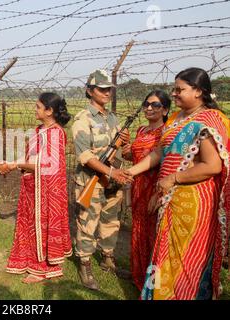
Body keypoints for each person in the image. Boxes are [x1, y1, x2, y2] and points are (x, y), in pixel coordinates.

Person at [128, 67, 230, 300]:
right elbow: (160, 153)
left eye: (179, 89)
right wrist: (131, 172)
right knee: (163, 254)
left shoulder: (208, 120)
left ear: (198, 92)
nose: (173, 94)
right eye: (174, 89)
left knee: (185, 259)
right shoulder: (175, 119)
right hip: (170, 198)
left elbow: (212, 165)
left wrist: (172, 179)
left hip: (193, 203)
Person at [0, 92, 73, 283]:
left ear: (50, 111)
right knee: (31, 225)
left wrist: (14, 165)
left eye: (38, 107)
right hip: (33, 187)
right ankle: (30, 260)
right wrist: (12, 163)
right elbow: (31, 158)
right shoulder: (39, 130)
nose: (35, 110)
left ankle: (42, 269)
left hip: (48, 192)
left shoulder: (56, 133)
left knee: (43, 225)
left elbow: (48, 165)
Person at [71, 69, 132, 291]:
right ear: (90, 90)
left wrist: (126, 144)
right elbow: (85, 155)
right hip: (91, 182)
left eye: (109, 89)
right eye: (102, 89)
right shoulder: (82, 119)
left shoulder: (113, 118)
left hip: (112, 181)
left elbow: (123, 152)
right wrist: (110, 171)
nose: (107, 93)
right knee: (87, 223)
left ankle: (108, 259)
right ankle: (85, 264)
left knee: (111, 222)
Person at [122, 90, 171, 291]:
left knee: (154, 236)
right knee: (139, 231)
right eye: (147, 104)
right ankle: (139, 276)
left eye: (156, 105)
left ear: (165, 110)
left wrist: (157, 194)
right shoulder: (141, 130)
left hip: (155, 189)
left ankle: (154, 285)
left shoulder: (167, 132)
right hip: (138, 187)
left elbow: (167, 163)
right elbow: (136, 158)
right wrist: (126, 147)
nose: (149, 108)